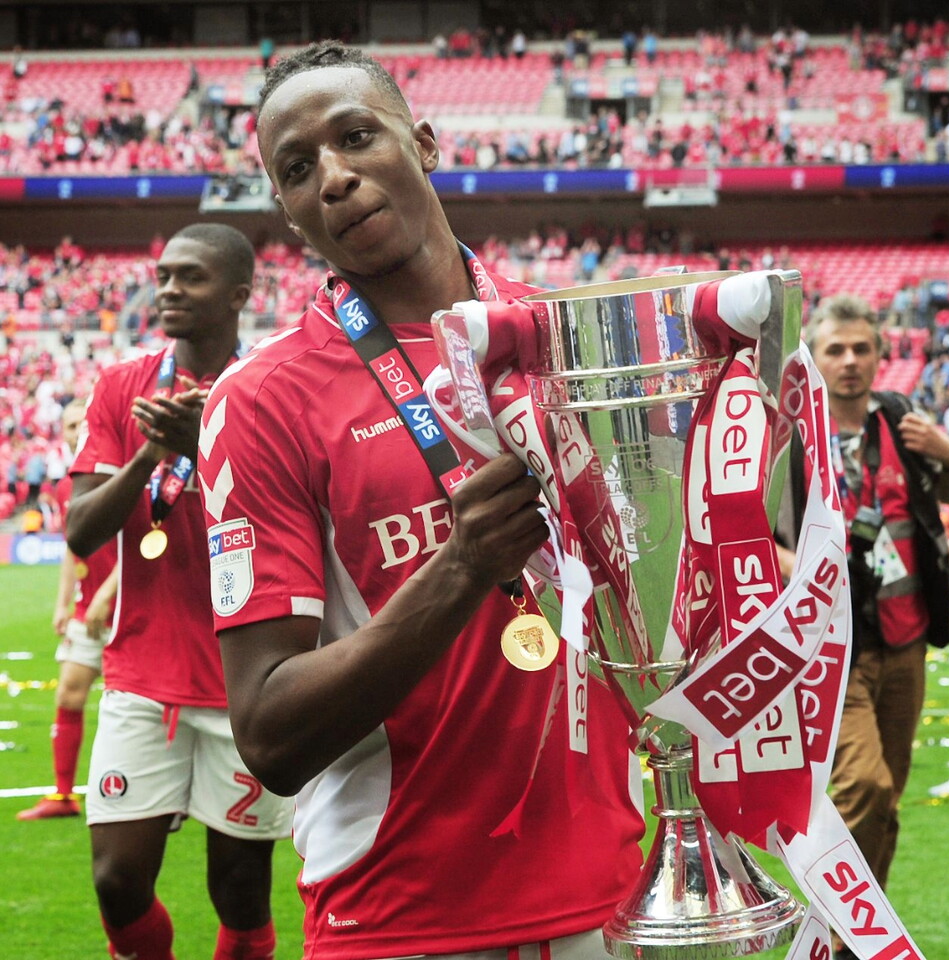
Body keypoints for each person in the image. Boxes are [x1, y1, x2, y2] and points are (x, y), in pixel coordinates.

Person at [197, 41, 645, 960]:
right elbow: (269, 734)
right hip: (401, 920)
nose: (333, 177)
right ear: (286, 212)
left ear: (425, 143)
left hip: (615, 896)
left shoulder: (572, 342)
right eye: (297, 168)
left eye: (356, 136)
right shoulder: (259, 400)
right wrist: (463, 565)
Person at [66, 224, 293, 960]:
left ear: (237, 294)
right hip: (143, 674)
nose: (168, 290)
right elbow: (79, 532)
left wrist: (211, 446)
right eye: (163, 275)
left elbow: (302, 517)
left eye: (189, 278)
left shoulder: (272, 387)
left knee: (240, 889)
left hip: (247, 680)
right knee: (115, 879)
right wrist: (151, 457)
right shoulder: (122, 387)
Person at [777, 294, 949, 960]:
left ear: (882, 355)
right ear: (814, 358)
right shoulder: (786, 435)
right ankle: (829, 936)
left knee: (888, 801)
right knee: (865, 788)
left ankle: (856, 942)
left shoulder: (905, 420)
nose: (850, 361)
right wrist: (799, 565)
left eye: (862, 349)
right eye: (836, 349)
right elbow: (743, 531)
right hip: (832, 650)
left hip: (906, 640)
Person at [18, 398, 118, 821]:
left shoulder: (122, 477)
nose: (78, 430)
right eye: (71, 424)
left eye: (84, 422)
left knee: (143, 707)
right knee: (69, 693)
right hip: (87, 612)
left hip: (131, 609)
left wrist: (106, 594)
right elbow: (72, 545)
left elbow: (148, 545)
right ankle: (62, 796)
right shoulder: (67, 486)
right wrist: (65, 600)